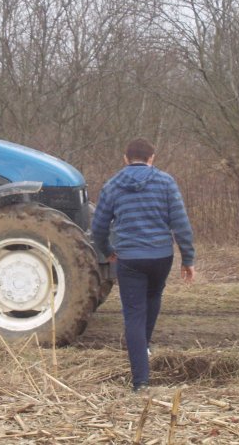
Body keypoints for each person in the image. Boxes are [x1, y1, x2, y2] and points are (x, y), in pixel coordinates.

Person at [91, 138, 195, 392]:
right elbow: (180, 224)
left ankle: (140, 382)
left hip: (129, 259)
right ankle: (144, 348)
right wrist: (187, 258)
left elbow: (99, 227)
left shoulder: (113, 185)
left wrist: (107, 251)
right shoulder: (165, 182)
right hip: (161, 256)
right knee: (153, 297)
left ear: (125, 158)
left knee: (134, 314)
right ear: (152, 158)